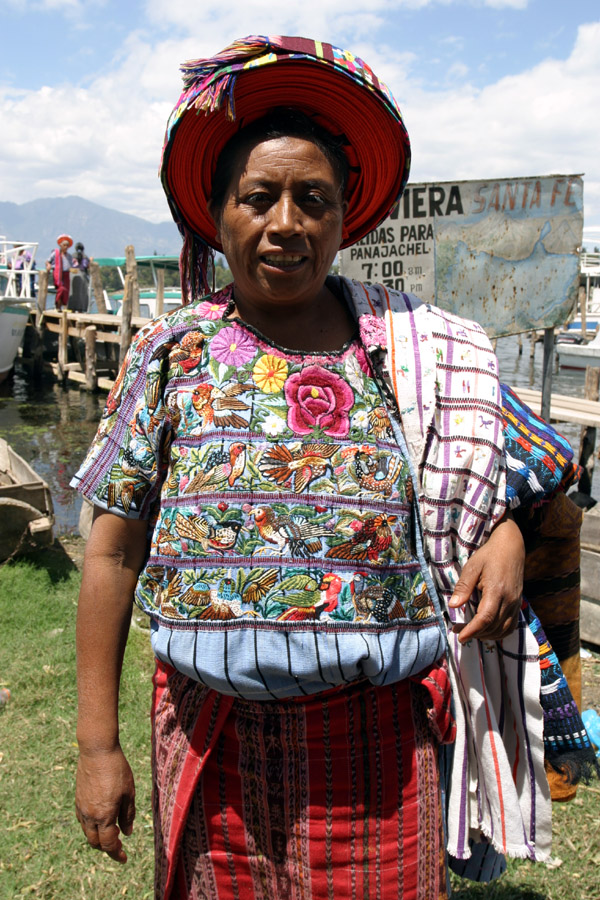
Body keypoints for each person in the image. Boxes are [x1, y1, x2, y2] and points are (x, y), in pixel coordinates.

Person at [71, 36, 595, 899]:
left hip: (380, 747)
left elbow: (490, 476)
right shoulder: (170, 352)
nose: (286, 222)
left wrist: (500, 532)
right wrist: (97, 746)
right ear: (217, 213)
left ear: (346, 219)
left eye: (312, 200)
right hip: (213, 733)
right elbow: (110, 552)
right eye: (259, 197)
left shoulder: (416, 349)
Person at [46, 233, 73, 309]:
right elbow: (48, 261)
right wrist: (48, 265)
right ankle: (57, 305)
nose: (66, 247)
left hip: (66, 274)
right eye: (64, 245)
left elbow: (71, 265)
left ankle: (61, 306)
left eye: (67, 245)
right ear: (60, 245)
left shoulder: (69, 256)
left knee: (66, 291)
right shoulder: (56, 253)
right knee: (61, 289)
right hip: (58, 273)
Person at [69, 241, 91, 311]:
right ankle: (80, 309)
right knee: (82, 293)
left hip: (72, 276)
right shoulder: (85, 257)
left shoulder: (71, 256)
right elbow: (86, 266)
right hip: (82, 275)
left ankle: (71, 308)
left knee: (72, 292)